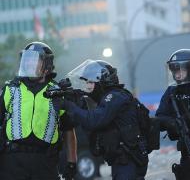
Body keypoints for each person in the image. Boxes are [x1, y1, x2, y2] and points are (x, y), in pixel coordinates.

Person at [55, 59, 149, 180]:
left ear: (102, 81)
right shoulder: (106, 99)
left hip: (129, 160)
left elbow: (94, 120)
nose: (87, 86)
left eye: (91, 82)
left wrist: (68, 105)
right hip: (121, 160)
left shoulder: (115, 96)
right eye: (86, 82)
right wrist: (72, 98)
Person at [0, 42, 77, 180]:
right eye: (26, 59)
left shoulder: (58, 92)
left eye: (34, 59)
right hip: (12, 161)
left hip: (45, 162)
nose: (29, 63)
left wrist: (72, 163)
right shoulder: (10, 89)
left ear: (47, 65)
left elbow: (69, 130)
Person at [156, 49, 190, 180]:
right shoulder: (172, 92)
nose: (178, 74)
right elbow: (160, 116)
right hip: (186, 150)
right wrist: (173, 123)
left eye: (181, 69)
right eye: (175, 70)